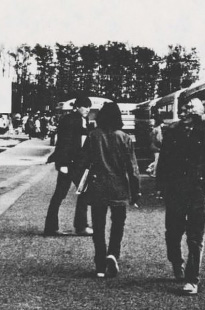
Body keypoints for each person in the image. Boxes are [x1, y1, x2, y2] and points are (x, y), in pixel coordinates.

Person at [156, 98, 205, 295]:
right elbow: (164, 160)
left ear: (196, 112)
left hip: (197, 189)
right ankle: (176, 261)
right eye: (182, 110)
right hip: (175, 188)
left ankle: (192, 279)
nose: (183, 114)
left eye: (187, 110)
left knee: (195, 236)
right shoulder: (172, 131)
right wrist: (161, 185)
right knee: (173, 233)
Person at [79, 101, 140, 278]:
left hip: (98, 185)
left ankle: (99, 264)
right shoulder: (125, 137)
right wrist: (135, 192)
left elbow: (83, 163)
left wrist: (82, 186)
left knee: (98, 225)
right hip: (119, 186)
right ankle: (113, 253)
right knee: (118, 223)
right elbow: (133, 168)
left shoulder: (93, 136)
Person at [44, 95, 94, 237]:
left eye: (89, 107)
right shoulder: (70, 120)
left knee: (79, 192)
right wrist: (63, 163)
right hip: (69, 163)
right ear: (77, 107)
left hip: (78, 164)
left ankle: (55, 227)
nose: (87, 109)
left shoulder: (82, 119)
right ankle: (78, 226)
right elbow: (64, 143)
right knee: (64, 194)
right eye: (84, 106)